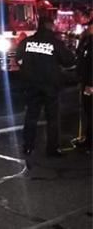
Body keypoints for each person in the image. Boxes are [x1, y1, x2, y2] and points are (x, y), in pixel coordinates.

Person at [16, 17, 76, 156]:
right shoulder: (55, 43)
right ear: (50, 26)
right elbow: (69, 61)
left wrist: (27, 71)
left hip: (32, 85)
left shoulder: (27, 42)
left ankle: (28, 146)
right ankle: (52, 149)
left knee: (31, 115)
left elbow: (18, 59)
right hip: (50, 86)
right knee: (52, 118)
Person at [75, 20, 92, 153]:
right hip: (86, 81)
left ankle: (90, 142)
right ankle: (87, 139)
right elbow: (80, 55)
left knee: (90, 112)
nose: (88, 28)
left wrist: (91, 84)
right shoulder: (88, 41)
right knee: (87, 111)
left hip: (90, 84)